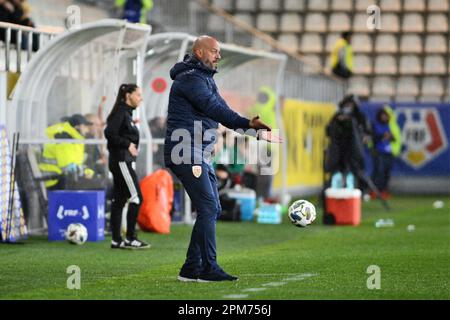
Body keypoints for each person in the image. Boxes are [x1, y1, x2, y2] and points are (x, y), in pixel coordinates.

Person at [164, 35, 282, 282]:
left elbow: (225, 113)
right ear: (199, 52)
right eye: (214, 51)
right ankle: (208, 268)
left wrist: (255, 130)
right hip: (185, 151)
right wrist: (251, 127)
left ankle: (191, 268)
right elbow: (215, 110)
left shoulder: (204, 78)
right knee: (208, 207)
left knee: (213, 207)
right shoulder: (190, 80)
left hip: (199, 153)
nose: (219, 56)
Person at [104, 83, 150, 250]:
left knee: (120, 200)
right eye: (138, 94)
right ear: (128, 95)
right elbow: (109, 133)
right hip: (121, 161)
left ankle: (116, 240)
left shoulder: (126, 113)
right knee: (136, 198)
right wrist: (127, 144)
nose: (141, 98)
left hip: (121, 161)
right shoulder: (121, 112)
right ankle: (131, 238)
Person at [325, 94, 371, 190]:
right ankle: (333, 190)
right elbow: (329, 131)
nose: (349, 107)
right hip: (339, 149)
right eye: (347, 104)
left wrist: (365, 137)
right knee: (337, 171)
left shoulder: (359, 117)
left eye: (351, 104)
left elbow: (367, 132)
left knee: (356, 171)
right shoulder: (337, 116)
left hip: (354, 149)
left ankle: (360, 190)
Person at [39, 114, 94, 190]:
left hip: (62, 179)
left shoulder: (73, 140)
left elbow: (76, 164)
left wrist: (88, 171)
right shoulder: (64, 139)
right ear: (77, 127)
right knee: (93, 187)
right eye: (84, 127)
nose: (87, 130)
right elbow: (68, 168)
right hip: (54, 181)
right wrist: (86, 173)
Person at [370, 106, 401, 199]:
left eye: (386, 115)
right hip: (379, 152)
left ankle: (383, 191)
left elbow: (396, 138)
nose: (384, 117)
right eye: (383, 115)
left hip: (389, 152)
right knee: (379, 172)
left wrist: (390, 137)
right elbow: (373, 137)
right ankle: (374, 191)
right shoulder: (375, 125)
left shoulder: (391, 125)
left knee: (386, 173)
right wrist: (382, 136)